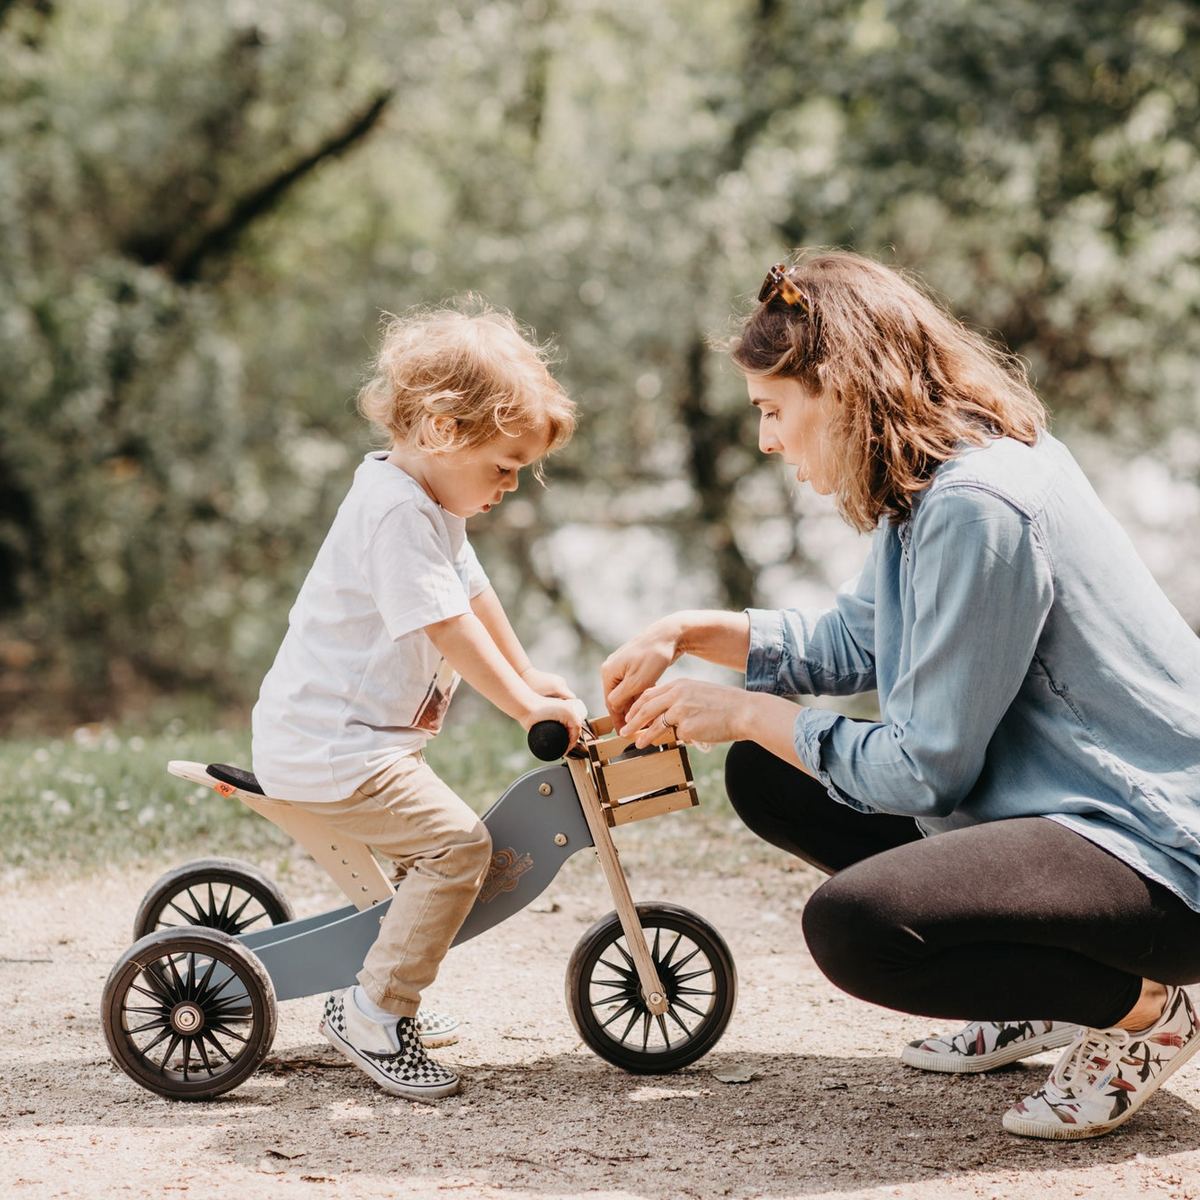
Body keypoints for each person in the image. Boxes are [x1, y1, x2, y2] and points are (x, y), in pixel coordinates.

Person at [602, 251, 1200, 1140]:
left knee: (859, 929)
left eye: (773, 411)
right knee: (768, 775)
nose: (766, 440)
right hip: (1060, 811)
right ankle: (1036, 988)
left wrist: (745, 712)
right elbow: (854, 645)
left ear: (839, 390)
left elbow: (926, 770)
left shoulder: (979, 505)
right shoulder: (927, 484)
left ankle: (1144, 1014)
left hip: (1157, 853)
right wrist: (695, 630)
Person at [252, 303, 586, 1101]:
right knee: (459, 849)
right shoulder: (397, 512)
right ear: (441, 429)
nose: (510, 485)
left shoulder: (427, 503)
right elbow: (442, 624)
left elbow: (472, 596)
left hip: (355, 741)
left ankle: (377, 979)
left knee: (436, 854)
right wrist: (519, 707)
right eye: (505, 465)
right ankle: (373, 1012)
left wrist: (528, 673)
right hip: (333, 747)